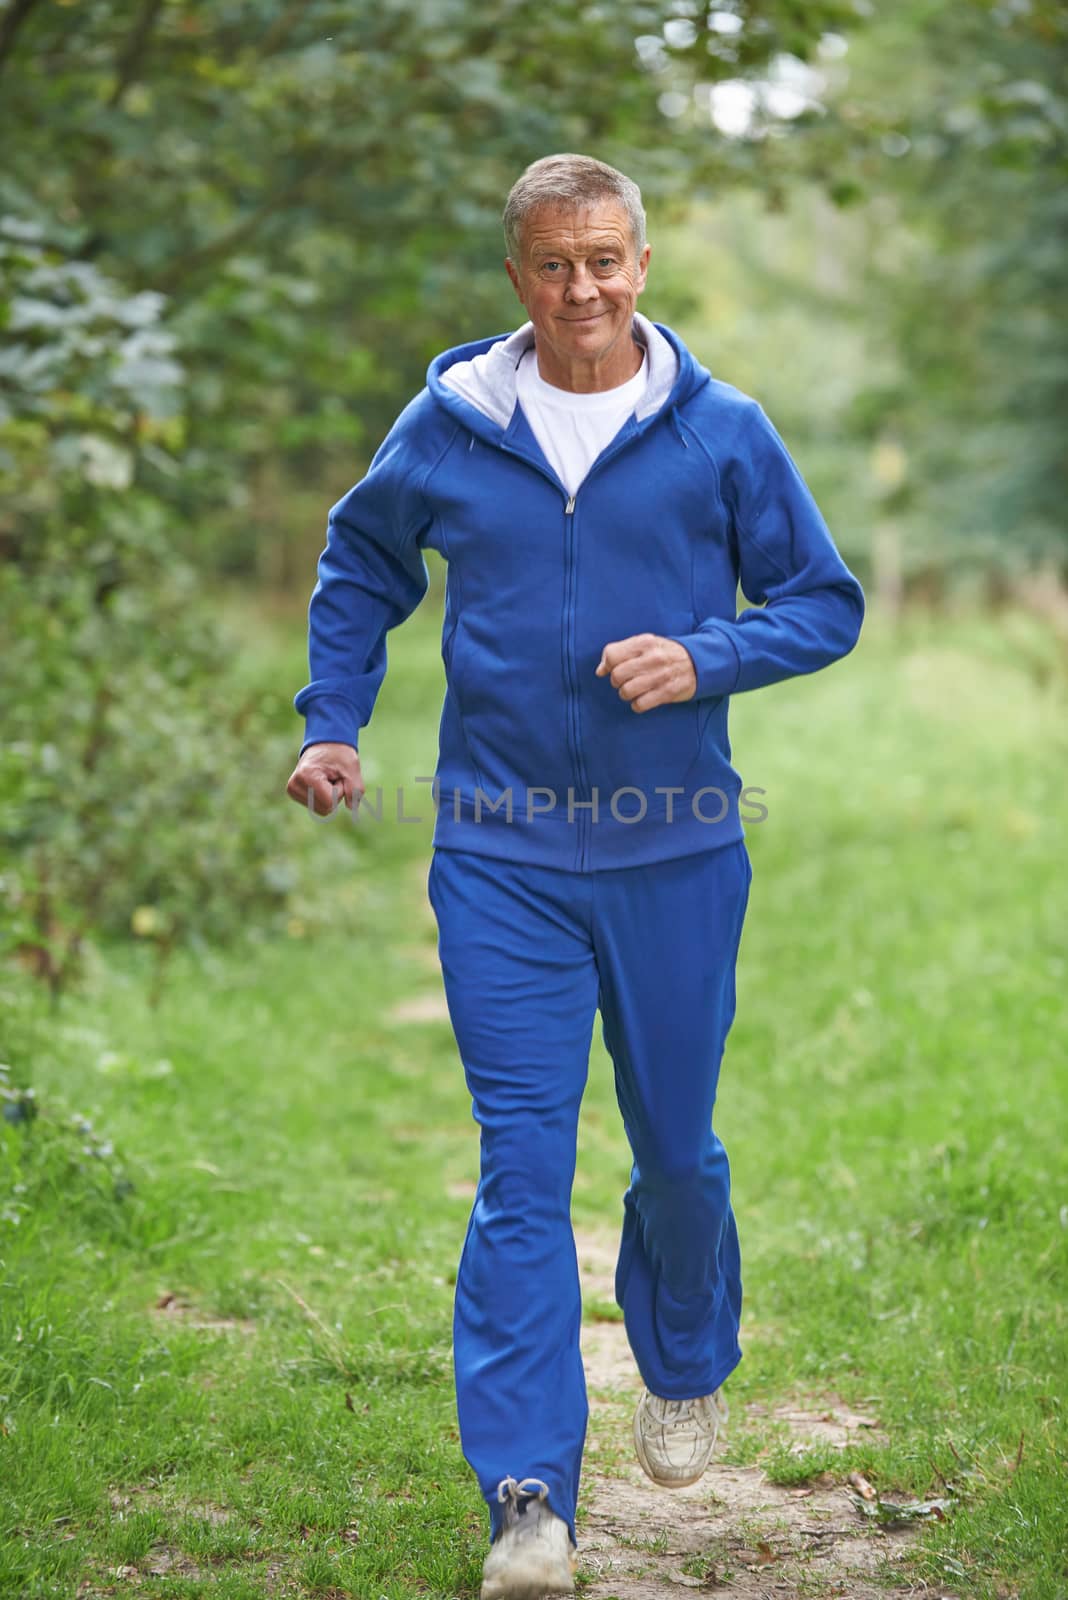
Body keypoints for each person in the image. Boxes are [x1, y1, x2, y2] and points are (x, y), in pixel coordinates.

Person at [286, 153, 864, 1600]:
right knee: (523, 1168)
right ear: (518, 277)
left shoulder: (721, 430)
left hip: (676, 848)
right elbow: (362, 564)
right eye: (556, 264)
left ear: (643, 264)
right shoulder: (453, 424)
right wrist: (333, 724)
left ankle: (685, 1358)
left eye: (606, 259)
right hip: (499, 851)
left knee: (676, 1150)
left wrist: (709, 654)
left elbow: (825, 601)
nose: (584, 289)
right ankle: (528, 1496)